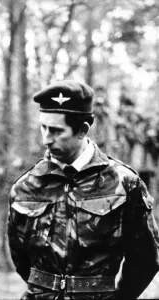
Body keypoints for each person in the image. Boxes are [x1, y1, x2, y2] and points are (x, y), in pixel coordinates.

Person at [8, 80, 159, 300]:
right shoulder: (25, 186)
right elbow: (21, 259)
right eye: (43, 127)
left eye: (56, 130)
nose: (46, 138)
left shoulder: (124, 183)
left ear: (83, 130)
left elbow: (146, 257)